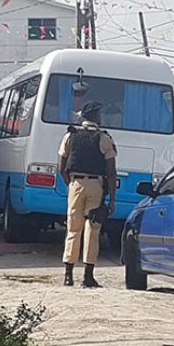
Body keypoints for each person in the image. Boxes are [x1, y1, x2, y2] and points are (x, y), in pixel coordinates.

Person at [58, 101, 117, 288]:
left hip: (75, 184)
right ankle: (88, 277)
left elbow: (61, 167)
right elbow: (111, 172)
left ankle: (68, 276)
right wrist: (112, 199)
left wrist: (71, 186)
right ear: (96, 116)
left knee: (73, 228)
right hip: (95, 185)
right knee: (93, 229)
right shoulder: (104, 138)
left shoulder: (70, 136)